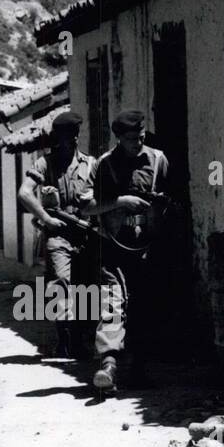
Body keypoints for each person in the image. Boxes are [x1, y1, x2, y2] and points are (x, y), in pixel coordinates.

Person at [79, 109, 171, 394]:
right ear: (118, 138)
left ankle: (139, 370)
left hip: (147, 245)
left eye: (141, 137)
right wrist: (121, 202)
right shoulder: (103, 165)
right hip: (113, 245)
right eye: (132, 139)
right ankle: (108, 365)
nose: (138, 143)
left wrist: (161, 204)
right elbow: (87, 206)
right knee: (112, 301)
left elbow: (175, 197)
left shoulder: (159, 160)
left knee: (144, 306)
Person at [17, 109, 96, 358]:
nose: (71, 140)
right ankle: (64, 336)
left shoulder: (91, 164)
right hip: (58, 234)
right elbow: (24, 193)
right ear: (58, 138)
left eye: (74, 135)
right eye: (66, 136)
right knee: (60, 284)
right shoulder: (45, 163)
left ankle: (81, 340)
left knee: (87, 286)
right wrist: (46, 218)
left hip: (85, 234)